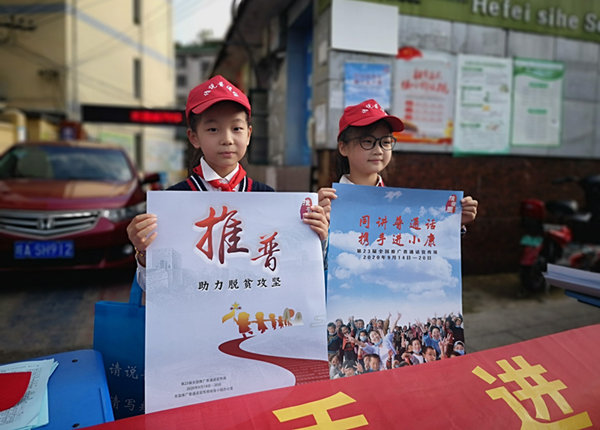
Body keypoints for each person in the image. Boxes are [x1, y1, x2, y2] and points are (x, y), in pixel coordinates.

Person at [127, 75, 328, 287]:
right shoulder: (172, 203)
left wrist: (317, 240)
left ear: (249, 134)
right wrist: (143, 252)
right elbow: (154, 288)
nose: (227, 139)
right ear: (194, 137)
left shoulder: (267, 198)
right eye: (213, 129)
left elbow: (291, 274)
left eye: (237, 128)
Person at [317, 98, 478, 229]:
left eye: (386, 142)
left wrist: (454, 224)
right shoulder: (326, 204)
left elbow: (419, 244)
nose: (378, 150)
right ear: (343, 147)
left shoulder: (400, 204)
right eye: (367, 141)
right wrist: (319, 230)